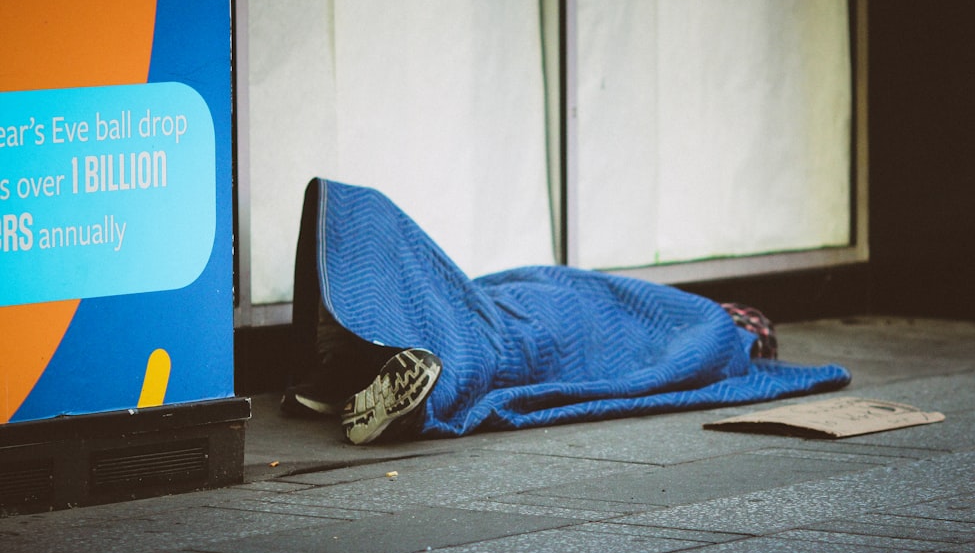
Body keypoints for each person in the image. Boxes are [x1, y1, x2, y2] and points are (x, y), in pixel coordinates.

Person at [281, 179, 851, 445]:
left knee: (488, 341)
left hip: (526, 334)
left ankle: (374, 376)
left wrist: (728, 334)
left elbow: (657, 368)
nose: (738, 320)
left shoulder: (715, 334)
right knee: (388, 235)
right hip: (509, 305)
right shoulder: (669, 306)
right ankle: (356, 367)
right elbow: (551, 283)